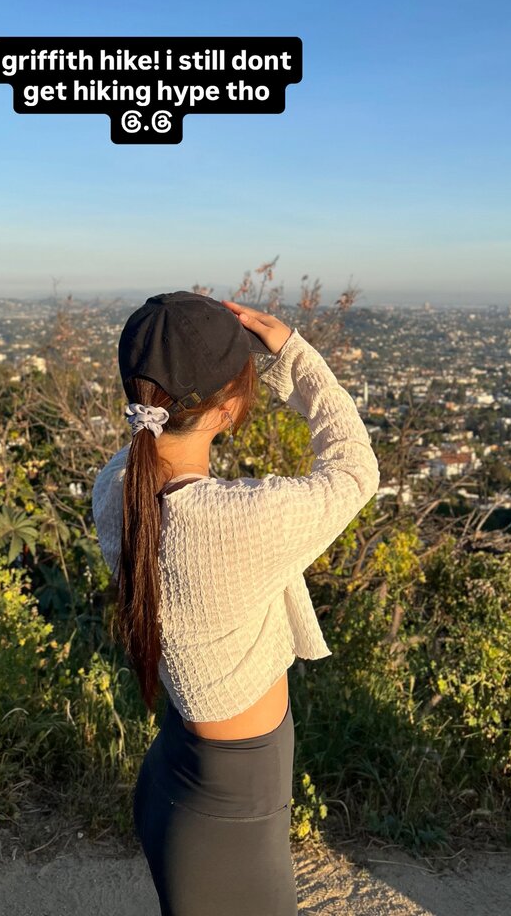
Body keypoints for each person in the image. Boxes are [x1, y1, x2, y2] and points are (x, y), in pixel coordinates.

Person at [91, 289, 380, 916]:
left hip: (185, 774)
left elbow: (151, 449)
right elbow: (356, 469)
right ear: (227, 411)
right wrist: (295, 356)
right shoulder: (238, 523)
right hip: (229, 814)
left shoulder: (113, 490)